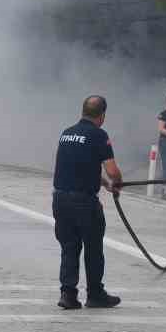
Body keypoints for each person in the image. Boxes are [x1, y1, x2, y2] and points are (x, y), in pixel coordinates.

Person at [52, 95, 123, 310]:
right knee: (93, 248)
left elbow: (78, 167)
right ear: (102, 116)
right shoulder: (98, 135)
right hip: (84, 203)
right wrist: (116, 183)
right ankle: (95, 294)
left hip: (60, 200)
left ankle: (68, 294)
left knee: (69, 247)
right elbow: (112, 170)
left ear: (82, 111)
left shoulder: (67, 134)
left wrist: (103, 184)